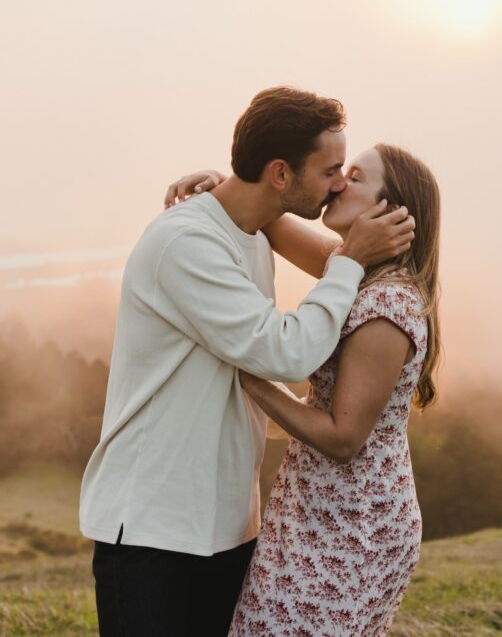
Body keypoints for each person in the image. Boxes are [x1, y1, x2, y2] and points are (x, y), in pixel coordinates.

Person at [79, 87, 415, 636]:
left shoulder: (252, 233)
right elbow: (287, 353)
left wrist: (355, 255)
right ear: (280, 174)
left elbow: (355, 277)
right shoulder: (185, 242)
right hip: (152, 530)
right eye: (331, 170)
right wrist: (350, 258)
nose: (338, 183)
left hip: (227, 528)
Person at [170, 142, 441, 636]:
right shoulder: (358, 269)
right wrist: (223, 184)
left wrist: (251, 375)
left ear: (389, 211)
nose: (338, 183)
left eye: (355, 177)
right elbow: (270, 220)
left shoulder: (388, 307)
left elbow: (343, 437)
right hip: (320, 513)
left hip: (353, 525)